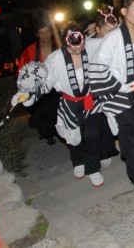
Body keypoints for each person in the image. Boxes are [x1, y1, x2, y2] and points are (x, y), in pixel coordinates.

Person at [13, 24, 115, 187]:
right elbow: (45, 82)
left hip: (92, 101)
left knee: (92, 135)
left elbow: (113, 42)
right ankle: (77, 161)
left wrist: (105, 26)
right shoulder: (55, 58)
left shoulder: (93, 46)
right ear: (66, 44)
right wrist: (29, 94)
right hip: (70, 103)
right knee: (74, 136)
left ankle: (93, 169)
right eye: (73, 50)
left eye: (80, 48)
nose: (77, 52)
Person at [89, 0, 134, 187]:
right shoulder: (114, 38)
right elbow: (96, 68)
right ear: (124, 11)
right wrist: (119, 85)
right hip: (119, 94)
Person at [17, 18, 60, 144]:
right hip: (37, 84)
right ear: (37, 34)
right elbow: (22, 68)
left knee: (54, 109)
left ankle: (54, 132)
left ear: (51, 32)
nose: (45, 35)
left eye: (47, 32)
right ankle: (46, 133)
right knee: (40, 111)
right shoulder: (30, 50)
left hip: (55, 83)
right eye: (42, 32)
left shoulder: (58, 46)